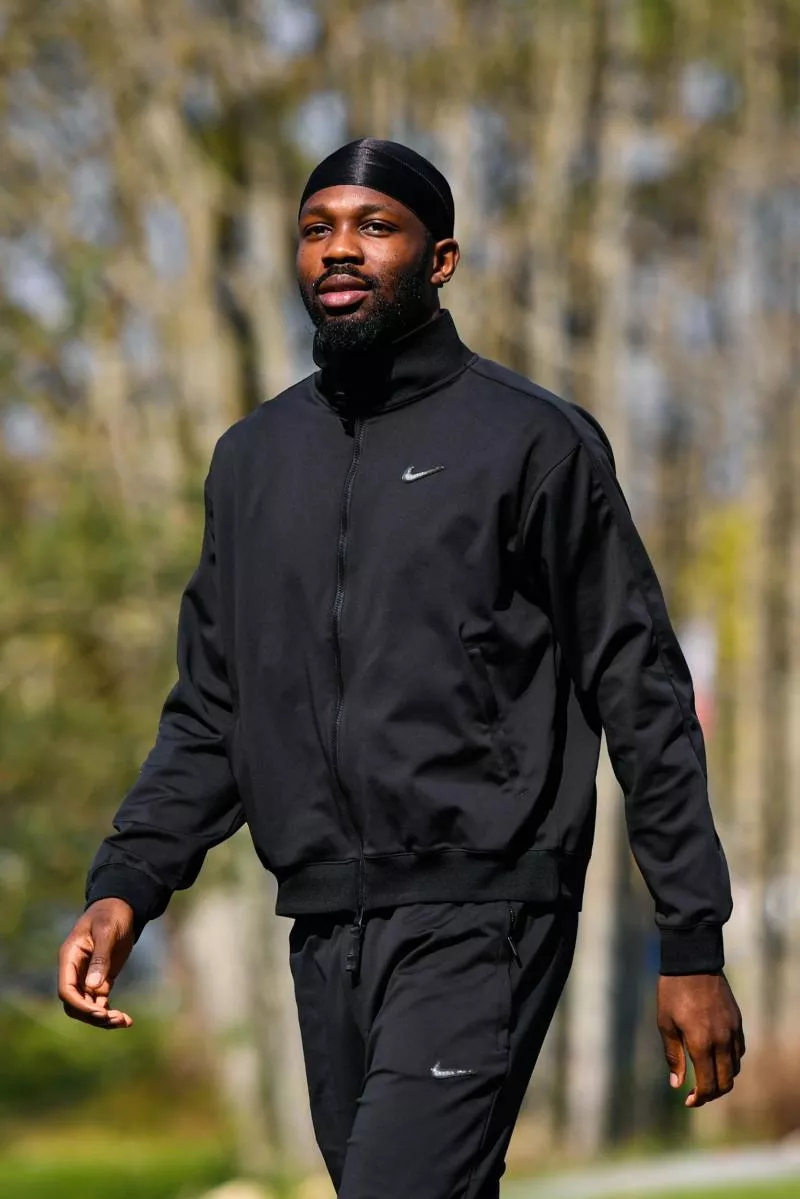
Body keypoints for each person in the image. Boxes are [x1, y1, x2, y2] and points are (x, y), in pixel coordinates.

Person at [58, 139, 744, 1198]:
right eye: (317, 226)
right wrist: (127, 884)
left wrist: (687, 937)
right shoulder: (254, 458)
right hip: (323, 918)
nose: (339, 248)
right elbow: (212, 707)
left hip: (483, 911)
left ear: (440, 261)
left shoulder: (532, 443)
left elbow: (640, 692)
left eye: (374, 226)